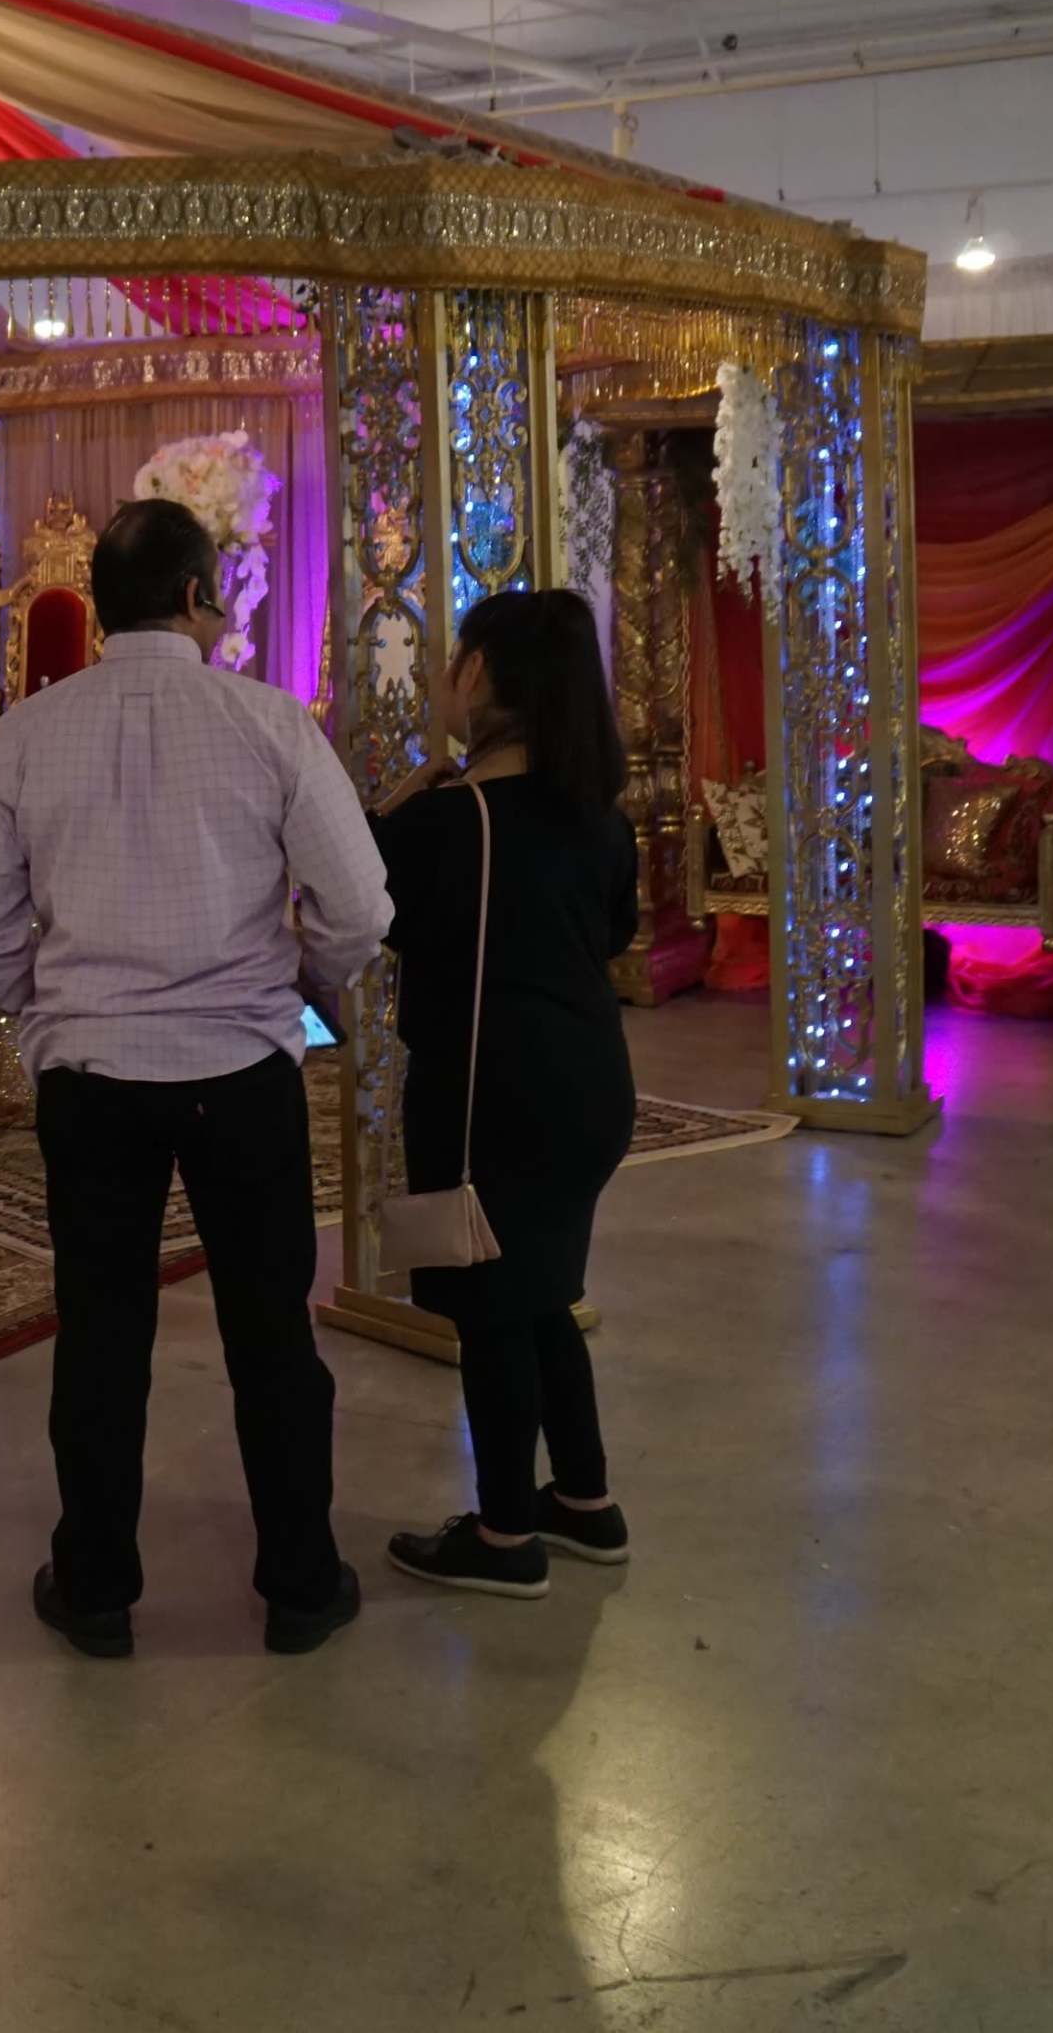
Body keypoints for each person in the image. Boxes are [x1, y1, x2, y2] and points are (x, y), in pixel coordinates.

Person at [0, 497, 392, 1660]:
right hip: (242, 1068)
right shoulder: (270, 721)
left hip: (91, 1076)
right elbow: (360, 907)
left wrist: (45, 1018)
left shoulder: (30, 733)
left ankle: (95, 1590)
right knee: (270, 1335)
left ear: (98, 606)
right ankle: (300, 1583)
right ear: (199, 598)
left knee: (99, 1334)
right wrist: (303, 984)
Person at [368, 589, 640, 1602]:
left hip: (492, 1090)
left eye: (452, 658)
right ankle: (584, 1500)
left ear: (479, 677)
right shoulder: (598, 817)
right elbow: (609, 937)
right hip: (590, 1086)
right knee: (540, 1297)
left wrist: (405, 796)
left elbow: (362, 893)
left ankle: (501, 1532)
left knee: (490, 1310)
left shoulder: (456, 820)